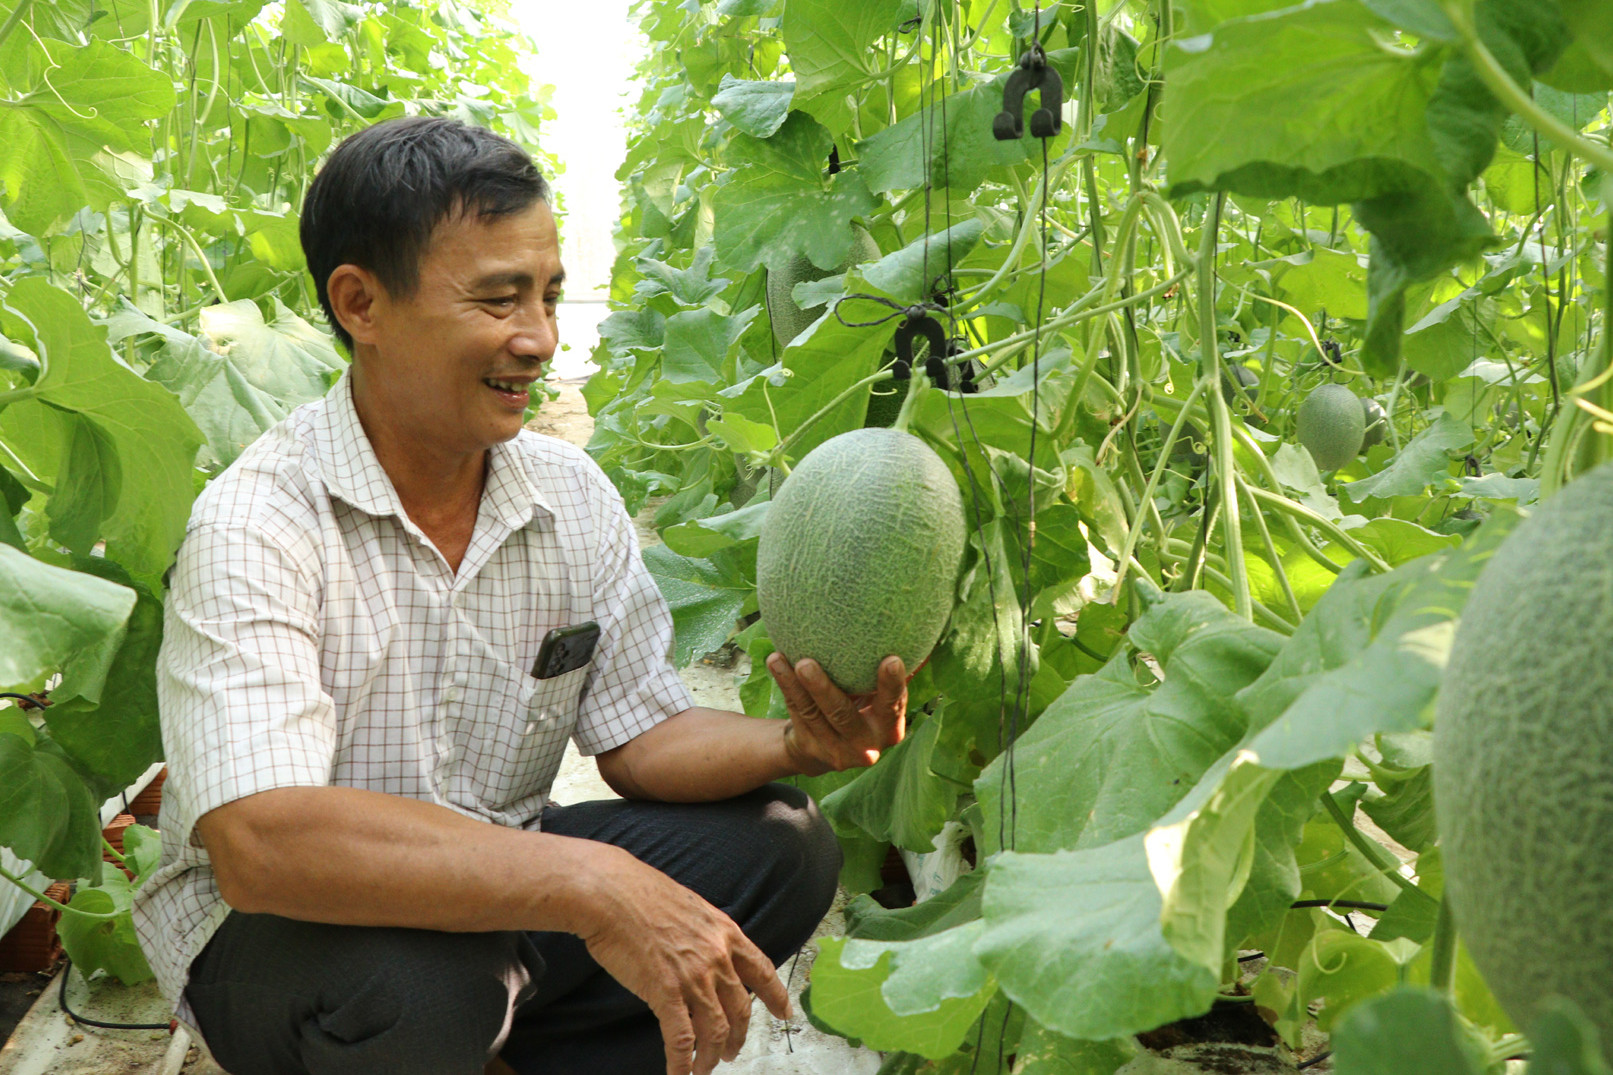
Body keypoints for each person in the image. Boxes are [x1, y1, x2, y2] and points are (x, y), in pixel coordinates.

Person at [129, 116, 909, 1075]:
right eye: (499, 299)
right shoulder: (257, 521)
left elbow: (640, 734)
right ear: (361, 303)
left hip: (491, 897)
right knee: (422, 987)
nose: (538, 340)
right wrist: (590, 881)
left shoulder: (568, 493)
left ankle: (506, 1054)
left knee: (783, 847)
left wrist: (799, 742)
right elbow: (263, 843)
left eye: (547, 296)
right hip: (283, 934)